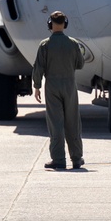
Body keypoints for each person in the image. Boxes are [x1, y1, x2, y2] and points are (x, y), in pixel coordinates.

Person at [32, 11, 86, 170]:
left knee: (56, 123)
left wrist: (36, 86)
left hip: (52, 86)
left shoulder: (45, 45)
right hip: (69, 85)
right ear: (65, 23)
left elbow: (38, 68)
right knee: (73, 121)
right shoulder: (73, 43)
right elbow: (80, 64)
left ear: (50, 24)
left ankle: (59, 159)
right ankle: (76, 158)